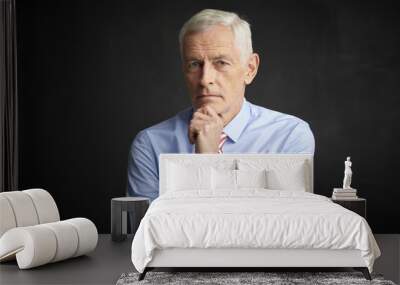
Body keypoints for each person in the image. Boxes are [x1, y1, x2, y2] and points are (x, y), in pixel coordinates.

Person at [127, 9, 315, 201]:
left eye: (221, 63)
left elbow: (286, 225)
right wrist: (205, 158)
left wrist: (208, 160)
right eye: (194, 64)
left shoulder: (289, 136)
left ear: (250, 69)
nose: (205, 79)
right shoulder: (150, 145)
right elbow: (149, 230)